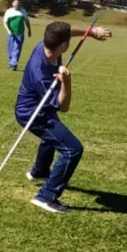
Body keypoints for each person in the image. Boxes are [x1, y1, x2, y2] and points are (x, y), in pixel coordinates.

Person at [15, 22, 111, 214]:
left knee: (53, 136)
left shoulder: (44, 46)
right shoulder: (40, 73)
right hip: (33, 114)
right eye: (68, 40)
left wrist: (91, 32)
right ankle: (45, 196)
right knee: (72, 149)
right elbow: (63, 106)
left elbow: (65, 32)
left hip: (39, 108)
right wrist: (67, 81)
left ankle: (39, 171)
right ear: (63, 46)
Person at [3, 0, 31, 71]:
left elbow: (27, 21)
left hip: (20, 34)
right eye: (15, 3)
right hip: (11, 34)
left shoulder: (23, 11)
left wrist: (29, 30)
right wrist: (8, 30)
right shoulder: (9, 12)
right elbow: (5, 22)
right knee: (10, 49)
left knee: (17, 49)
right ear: (12, 4)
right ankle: (11, 63)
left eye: (18, 3)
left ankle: (14, 64)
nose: (17, 4)